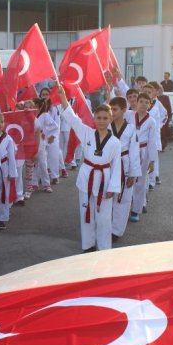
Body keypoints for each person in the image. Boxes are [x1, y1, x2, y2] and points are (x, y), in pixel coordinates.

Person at [58, 84, 121, 252]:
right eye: (98, 118)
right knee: (86, 213)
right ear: (94, 119)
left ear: (110, 119)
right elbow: (72, 118)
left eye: (105, 118)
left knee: (104, 218)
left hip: (105, 180)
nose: (101, 121)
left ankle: (104, 247)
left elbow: (117, 167)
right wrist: (63, 98)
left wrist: (113, 188)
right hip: (87, 176)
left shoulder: (115, 143)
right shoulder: (86, 132)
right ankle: (88, 245)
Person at [109, 96, 140, 241]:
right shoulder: (106, 126)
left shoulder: (131, 128)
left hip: (125, 164)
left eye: (114, 109)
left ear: (123, 110)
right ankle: (105, 226)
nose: (112, 112)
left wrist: (133, 173)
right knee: (108, 197)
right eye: (110, 109)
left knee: (123, 198)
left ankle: (116, 231)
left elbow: (134, 151)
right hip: (108, 165)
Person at [129, 92, 157, 222]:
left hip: (143, 152)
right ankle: (126, 203)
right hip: (129, 151)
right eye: (141, 101)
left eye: (147, 102)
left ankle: (136, 210)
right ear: (137, 102)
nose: (144, 104)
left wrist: (152, 160)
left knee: (140, 182)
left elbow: (152, 142)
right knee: (127, 178)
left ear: (150, 105)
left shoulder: (151, 121)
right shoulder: (129, 116)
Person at [0, 112, 17, 230]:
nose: (0, 125)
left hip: (4, 168)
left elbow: (12, 156)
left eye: (1, 122)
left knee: (3, 194)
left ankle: (2, 218)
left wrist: (13, 173)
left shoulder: (8, 139)